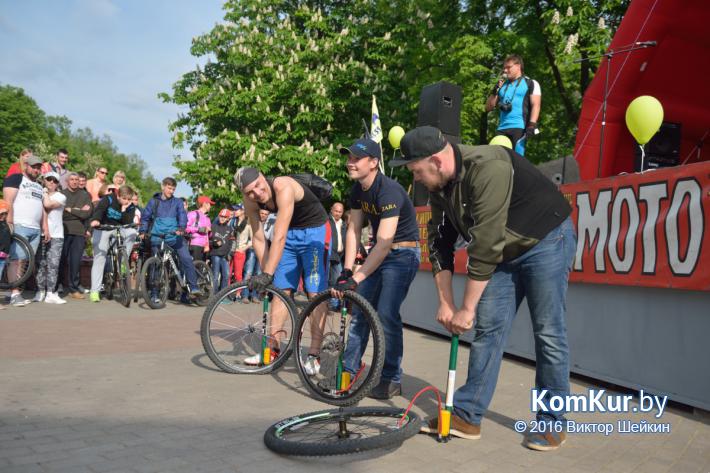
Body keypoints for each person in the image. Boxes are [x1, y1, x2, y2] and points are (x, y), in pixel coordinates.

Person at [390, 126, 576, 451]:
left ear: (436, 160)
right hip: (506, 250)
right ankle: (467, 414)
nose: (415, 178)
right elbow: (439, 242)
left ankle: (552, 422)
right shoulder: (440, 186)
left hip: (547, 239)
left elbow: (486, 243)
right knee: (489, 330)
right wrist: (446, 304)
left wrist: (466, 309)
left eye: (416, 171)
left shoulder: (489, 166)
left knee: (548, 332)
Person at [332, 138, 421, 399]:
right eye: (348, 158)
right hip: (380, 253)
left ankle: (391, 378)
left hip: (403, 253)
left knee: (385, 314)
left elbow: (383, 244)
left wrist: (357, 277)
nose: (349, 163)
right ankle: (348, 370)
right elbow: (354, 230)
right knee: (361, 311)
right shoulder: (358, 191)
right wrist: (347, 272)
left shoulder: (388, 190)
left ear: (373, 163)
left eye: (355, 158)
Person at [234, 167, 330, 370]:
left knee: (314, 292)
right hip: (290, 234)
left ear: (263, 177)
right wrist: (266, 274)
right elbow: (259, 238)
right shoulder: (250, 201)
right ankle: (272, 348)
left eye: (258, 186)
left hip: (313, 231)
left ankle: (314, 354)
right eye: (250, 192)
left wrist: (268, 272)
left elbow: (278, 236)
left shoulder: (282, 185)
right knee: (280, 291)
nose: (257, 194)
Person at [139, 177, 202, 303]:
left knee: (185, 258)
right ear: (163, 187)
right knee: (156, 265)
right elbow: (145, 217)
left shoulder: (178, 202)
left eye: (173, 189)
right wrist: (142, 231)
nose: (171, 191)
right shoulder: (153, 201)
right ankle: (154, 294)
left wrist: (181, 228)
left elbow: (182, 215)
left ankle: (194, 287)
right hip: (157, 237)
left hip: (174, 236)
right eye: (169, 188)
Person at [2, 155, 48, 306]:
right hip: (20, 225)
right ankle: (15, 294)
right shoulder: (16, 178)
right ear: (26, 165)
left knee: (23, 262)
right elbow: (8, 201)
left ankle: (13, 290)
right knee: (16, 260)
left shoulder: (39, 185)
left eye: (38, 167)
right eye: (33, 166)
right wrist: (9, 222)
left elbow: (42, 207)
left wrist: (45, 227)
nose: (36, 169)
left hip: (35, 228)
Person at [88, 185, 137, 302]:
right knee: (100, 258)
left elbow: (127, 222)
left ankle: (124, 259)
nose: (127, 201)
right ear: (118, 195)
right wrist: (96, 220)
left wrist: (124, 209)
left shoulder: (130, 206)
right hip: (103, 227)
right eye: (124, 199)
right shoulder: (108, 199)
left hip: (118, 229)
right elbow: (100, 210)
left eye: (129, 199)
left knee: (132, 232)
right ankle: (95, 291)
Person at [485, 54, 541, 156]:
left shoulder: (530, 83)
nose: (505, 71)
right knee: (497, 159)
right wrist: (495, 91)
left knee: (517, 160)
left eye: (508, 67)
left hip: (519, 128)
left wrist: (532, 125)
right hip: (501, 129)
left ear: (518, 66)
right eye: (504, 68)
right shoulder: (502, 85)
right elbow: (488, 107)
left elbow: (536, 105)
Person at [33, 172, 67, 304]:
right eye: (49, 179)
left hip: (56, 235)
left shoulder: (61, 196)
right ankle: (40, 291)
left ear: (58, 184)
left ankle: (51, 293)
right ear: (44, 180)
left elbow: (47, 205)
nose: (51, 182)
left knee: (53, 264)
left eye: (54, 180)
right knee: (40, 264)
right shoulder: (38, 193)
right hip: (40, 233)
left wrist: (45, 192)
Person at [60, 172, 93, 299]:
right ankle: (59, 285)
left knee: (75, 261)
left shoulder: (84, 195)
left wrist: (70, 209)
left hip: (79, 232)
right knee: (61, 260)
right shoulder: (62, 194)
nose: (74, 181)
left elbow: (87, 214)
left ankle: (74, 289)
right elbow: (61, 214)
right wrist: (78, 211)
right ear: (67, 181)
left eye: (76, 179)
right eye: (72, 179)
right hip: (64, 230)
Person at [327, 202, 346, 310]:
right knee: (325, 280)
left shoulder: (344, 224)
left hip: (339, 256)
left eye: (340, 212)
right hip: (328, 254)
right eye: (336, 211)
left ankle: (332, 304)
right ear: (331, 210)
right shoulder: (327, 221)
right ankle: (323, 303)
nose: (338, 213)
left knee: (336, 280)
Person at [210, 209, 234, 294]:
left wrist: (230, 253)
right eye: (221, 216)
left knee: (227, 275)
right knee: (215, 276)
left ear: (228, 218)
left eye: (225, 217)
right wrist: (214, 243)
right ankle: (214, 294)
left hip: (225, 256)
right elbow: (208, 240)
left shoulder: (230, 229)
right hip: (215, 254)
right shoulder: (213, 226)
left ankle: (222, 295)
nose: (222, 218)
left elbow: (232, 242)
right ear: (218, 216)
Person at [229, 204, 252, 291]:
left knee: (238, 274)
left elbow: (252, 240)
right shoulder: (232, 221)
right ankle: (226, 293)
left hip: (240, 251)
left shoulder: (248, 223)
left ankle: (239, 293)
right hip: (230, 250)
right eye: (234, 210)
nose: (235, 212)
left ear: (243, 211)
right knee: (228, 273)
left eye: (237, 210)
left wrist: (244, 248)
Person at [186, 195, 213, 261]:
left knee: (201, 269)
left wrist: (209, 232)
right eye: (210, 204)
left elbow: (209, 235)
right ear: (204, 204)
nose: (211, 206)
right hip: (195, 244)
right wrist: (199, 229)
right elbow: (186, 228)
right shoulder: (193, 214)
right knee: (194, 267)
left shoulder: (208, 218)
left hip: (204, 247)